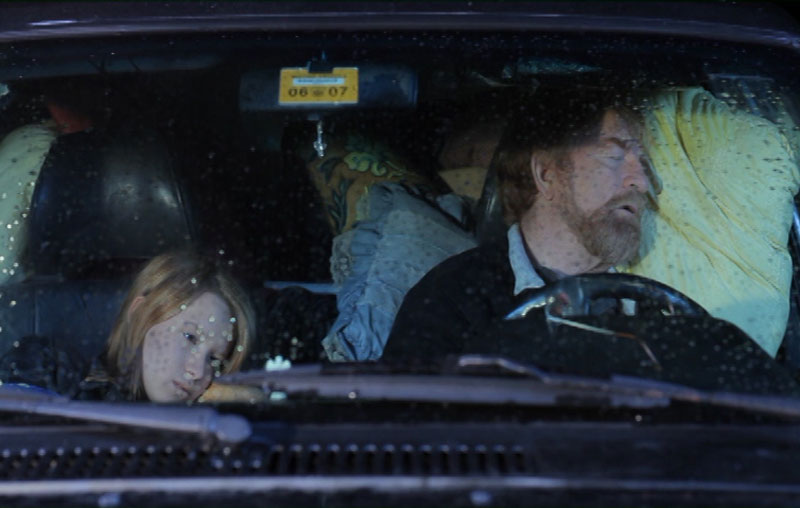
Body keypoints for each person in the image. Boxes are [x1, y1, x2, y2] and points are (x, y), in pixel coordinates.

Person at [381, 88, 655, 364]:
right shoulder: (452, 299)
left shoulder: (655, 308)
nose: (641, 182)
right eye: (613, 156)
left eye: (642, 163)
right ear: (545, 174)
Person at [0, 249, 256, 402]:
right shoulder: (50, 371)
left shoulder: (212, 434)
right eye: (190, 337)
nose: (198, 372)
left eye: (214, 360)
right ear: (138, 313)